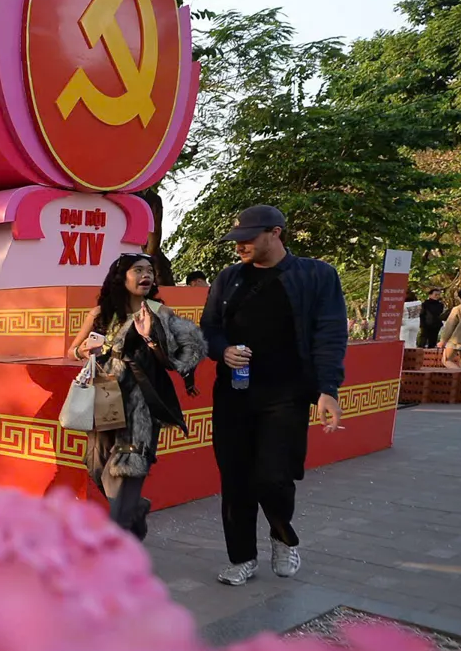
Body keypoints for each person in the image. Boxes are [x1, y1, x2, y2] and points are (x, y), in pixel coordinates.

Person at [200, 206, 347, 586]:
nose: (240, 246)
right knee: (235, 480)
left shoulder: (316, 275)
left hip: (286, 395)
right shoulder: (229, 278)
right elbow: (209, 328)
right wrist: (222, 350)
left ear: (276, 233)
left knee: (273, 477)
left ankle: (283, 536)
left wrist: (327, 390)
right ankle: (242, 558)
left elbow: (330, 335)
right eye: (236, 240)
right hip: (234, 394)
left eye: (248, 239)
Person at [69, 253, 205, 538]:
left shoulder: (159, 313)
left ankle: (115, 548)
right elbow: (73, 350)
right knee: (97, 467)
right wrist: (83, 351)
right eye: (138, 270)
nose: (147, 276)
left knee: (126, 468)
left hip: (140, 403)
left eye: (150, 271)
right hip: (104, 399)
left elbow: (183, 356)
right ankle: (136, 507)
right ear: (121, 277)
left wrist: (150, 339)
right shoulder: (101, 313)